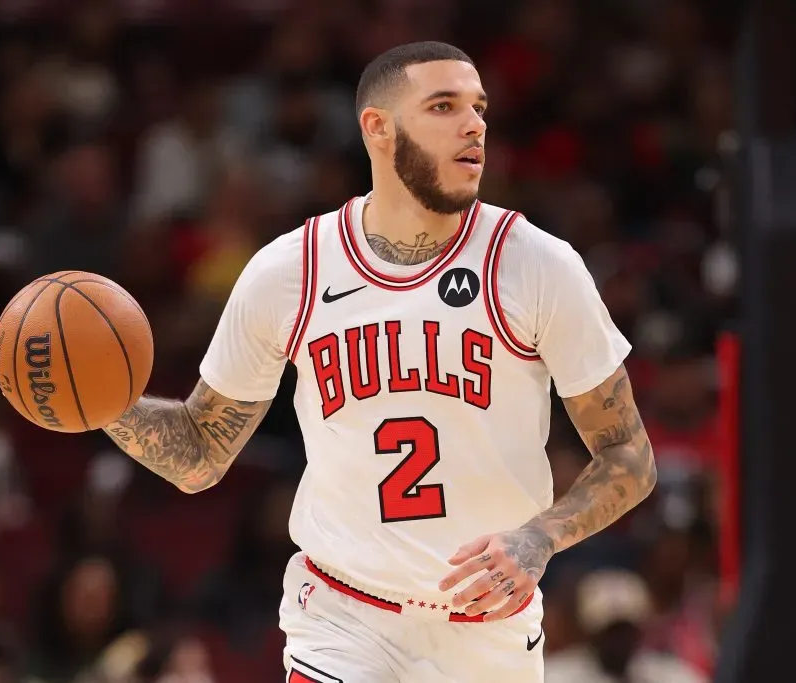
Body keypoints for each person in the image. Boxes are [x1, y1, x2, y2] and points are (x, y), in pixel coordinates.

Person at [99, 41, 657, 682]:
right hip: (343, 617)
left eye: (478, 108)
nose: (474, 124)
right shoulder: (291, 272)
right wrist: (103, 404)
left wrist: (541, 536)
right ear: (377, 127)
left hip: (488, 630)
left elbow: (629, 457)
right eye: (443, 106)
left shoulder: (538, 265)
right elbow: (199, 455)